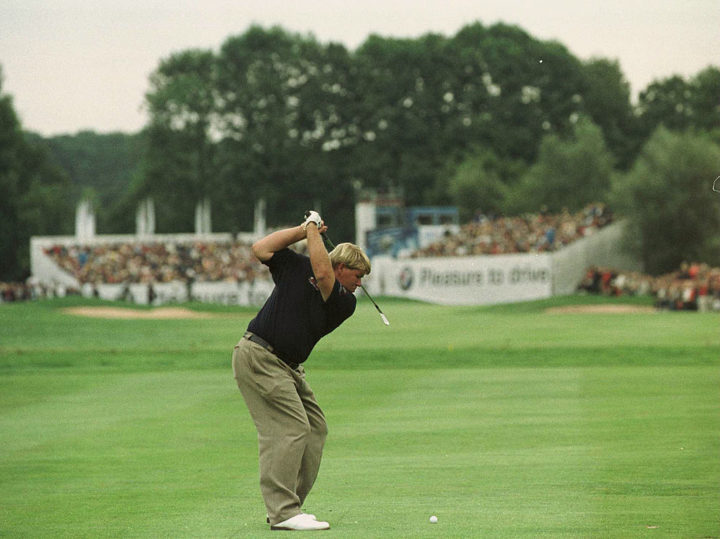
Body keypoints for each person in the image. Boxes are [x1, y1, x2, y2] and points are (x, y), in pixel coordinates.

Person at [232, 211, 371, 531]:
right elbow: (261, 249)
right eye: (358, 275)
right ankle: (282, 513)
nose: (360, 283)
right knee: (291, 427)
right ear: (342, 267)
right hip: (259, 355)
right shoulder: (296, 267)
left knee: (315, 428)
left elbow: (323, 275)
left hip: (287, 366)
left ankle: (288, 506)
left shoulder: (343, 300)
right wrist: (303, 229)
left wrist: (312, 230)